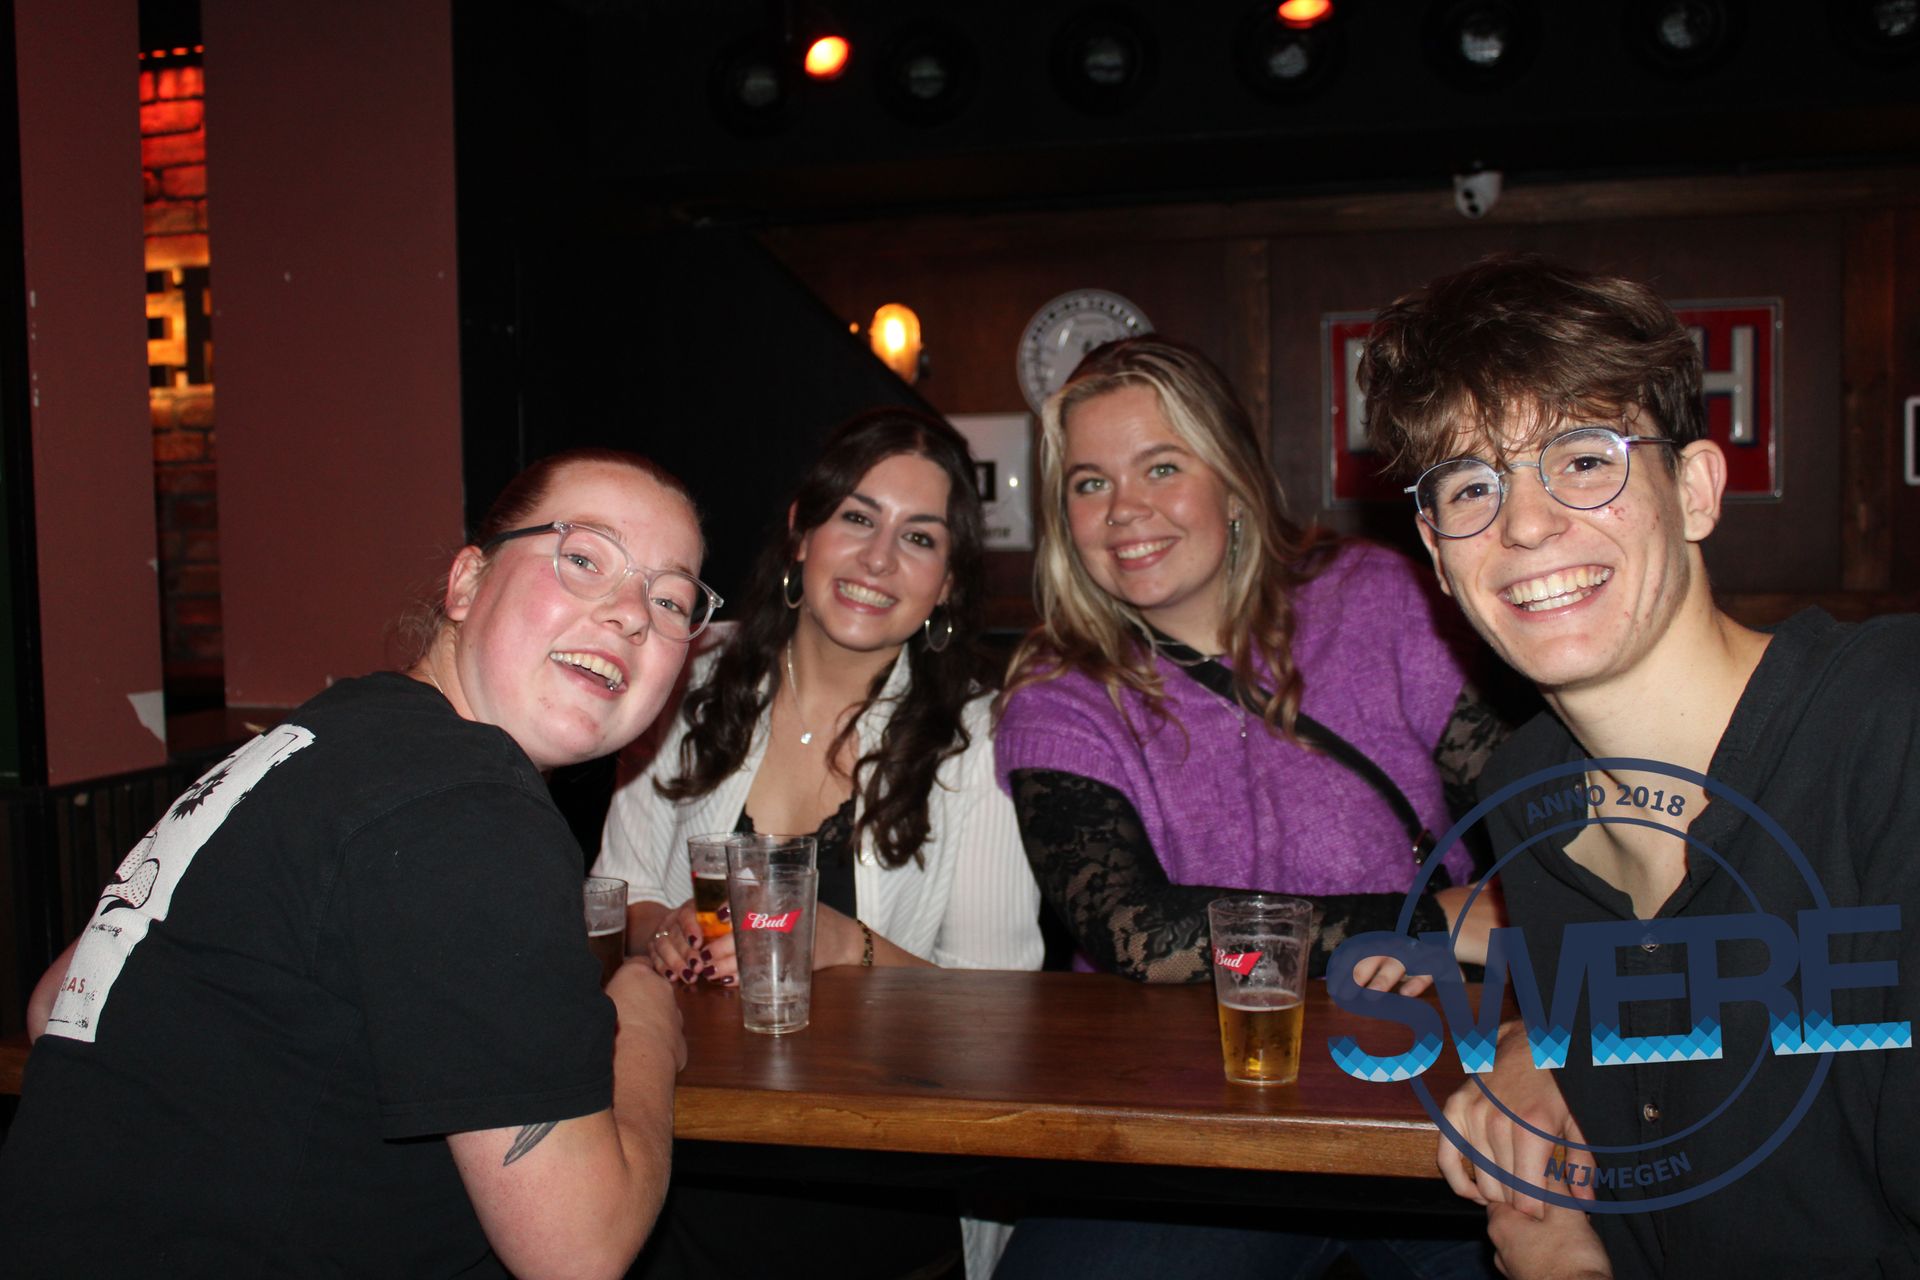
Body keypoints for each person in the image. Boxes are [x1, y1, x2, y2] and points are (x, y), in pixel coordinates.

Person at [0, 448, 709, 1279]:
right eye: (584, 558)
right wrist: (646, 1023)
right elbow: (577, 1251)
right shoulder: (469, 808)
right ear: (467, 583)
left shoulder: (320, 736)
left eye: (671, 600)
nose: (630, 614)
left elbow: (56, 1003)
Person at [1360, 252, 1920, 1278]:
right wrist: (1545, 1044)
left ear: (1695, 490)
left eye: (1585, 459)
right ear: (1439, 557)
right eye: (1473, 486)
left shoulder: (1890, 730)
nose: (1527, 524)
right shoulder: (1530, 800)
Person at [990, 335, 1505, 1279]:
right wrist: (1425, 920)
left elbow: (1521, 806)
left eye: (1162, 466)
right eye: (1091, 482)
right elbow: (1141, 932)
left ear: (1232, 481)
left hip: (1431, 1092)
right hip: (1186, 1129)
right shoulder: (1058, 692)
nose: (1125, 510)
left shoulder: (1375, 597)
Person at [593, 408, 1041, 1279]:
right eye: (857, 518)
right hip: (682, 1158)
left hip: (876, 1185)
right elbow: (621, 888)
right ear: (802, 532)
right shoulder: (688, 676)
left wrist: (847, 945)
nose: (878, 559)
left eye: (920, 537)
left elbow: (1000, 1012)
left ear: (947, 582)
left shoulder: (978, 738)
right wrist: (668, 929)